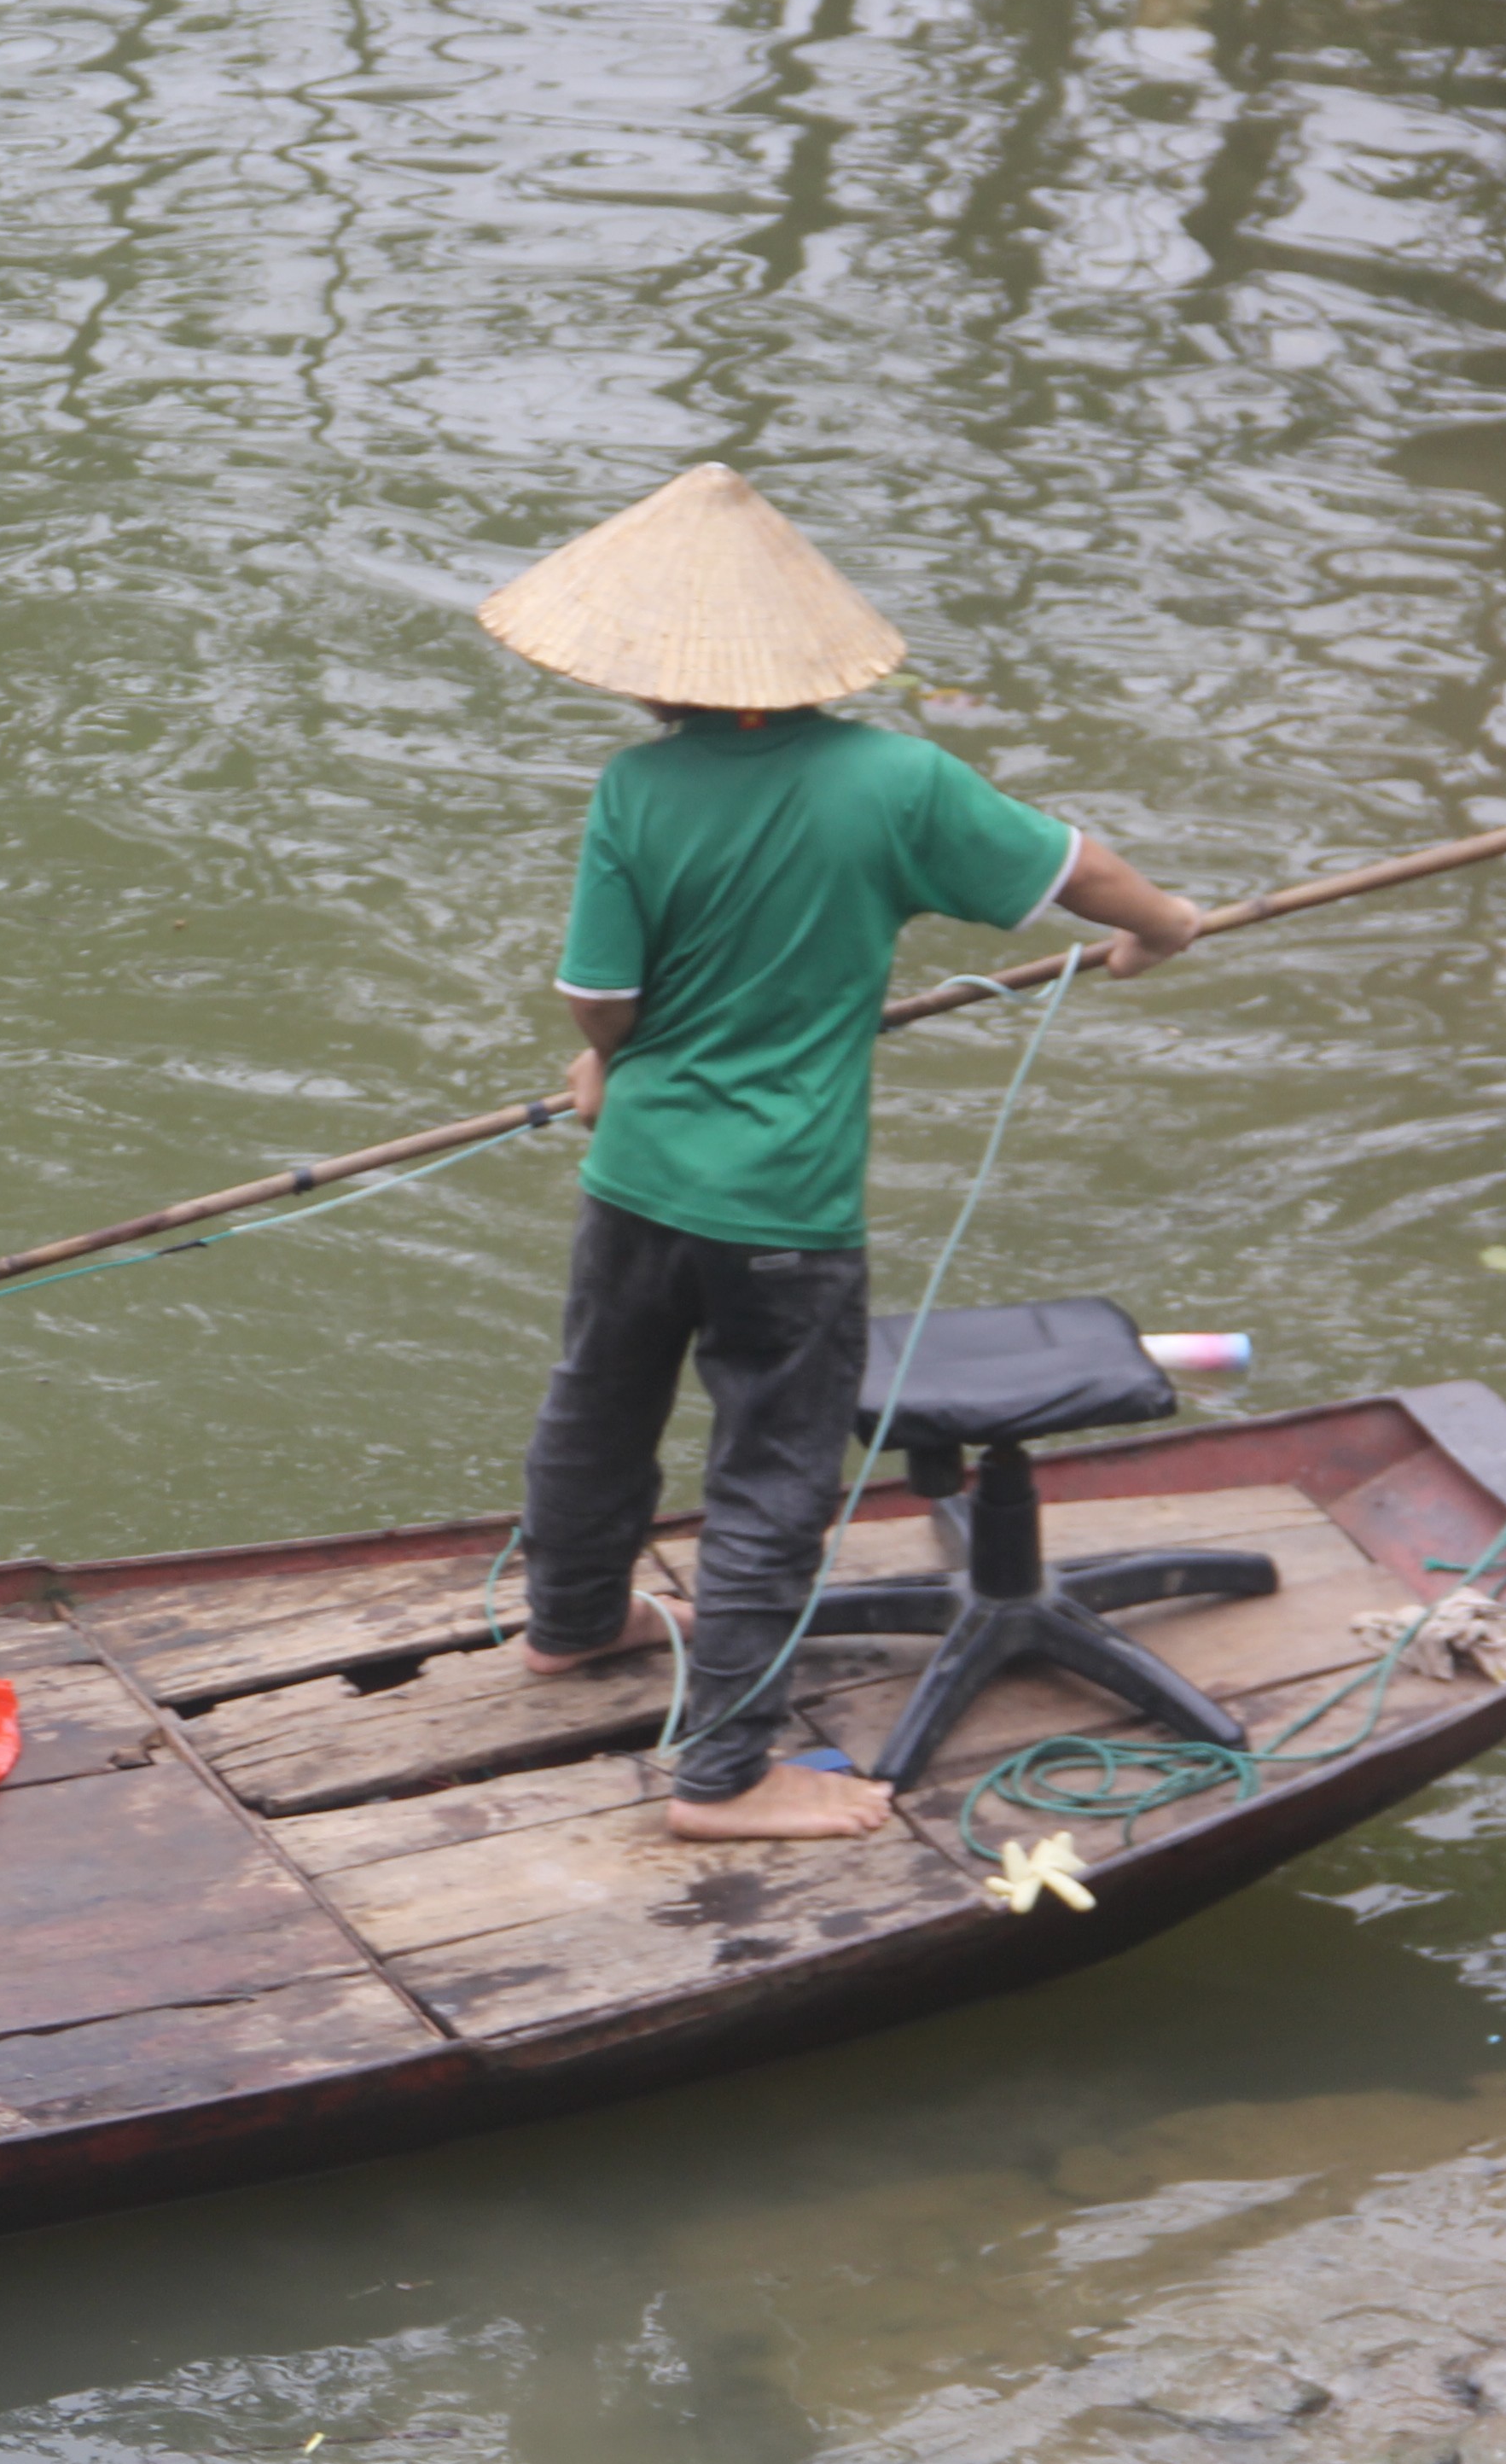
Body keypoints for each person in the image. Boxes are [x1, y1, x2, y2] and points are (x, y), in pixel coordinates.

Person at [473, 466, 1205, 1843]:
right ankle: (722, 1778)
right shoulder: (893, 778)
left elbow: (594, 992)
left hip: (631, 1174)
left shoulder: (632, 787)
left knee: (595, 1401)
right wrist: (1162, 927)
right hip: (780, 1207)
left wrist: (605, 1062)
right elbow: (1076, 874)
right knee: (770, 1472)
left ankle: (569, 1623)